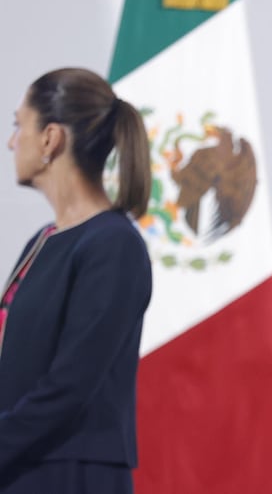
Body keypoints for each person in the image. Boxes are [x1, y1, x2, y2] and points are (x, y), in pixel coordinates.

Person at [0, 68, 152, 493]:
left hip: (70, 473)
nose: (12, 141)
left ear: (51, 138)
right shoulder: (43, 240)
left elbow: (70, 387)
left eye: (18, 125)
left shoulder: (114, 244)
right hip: (21, 465)